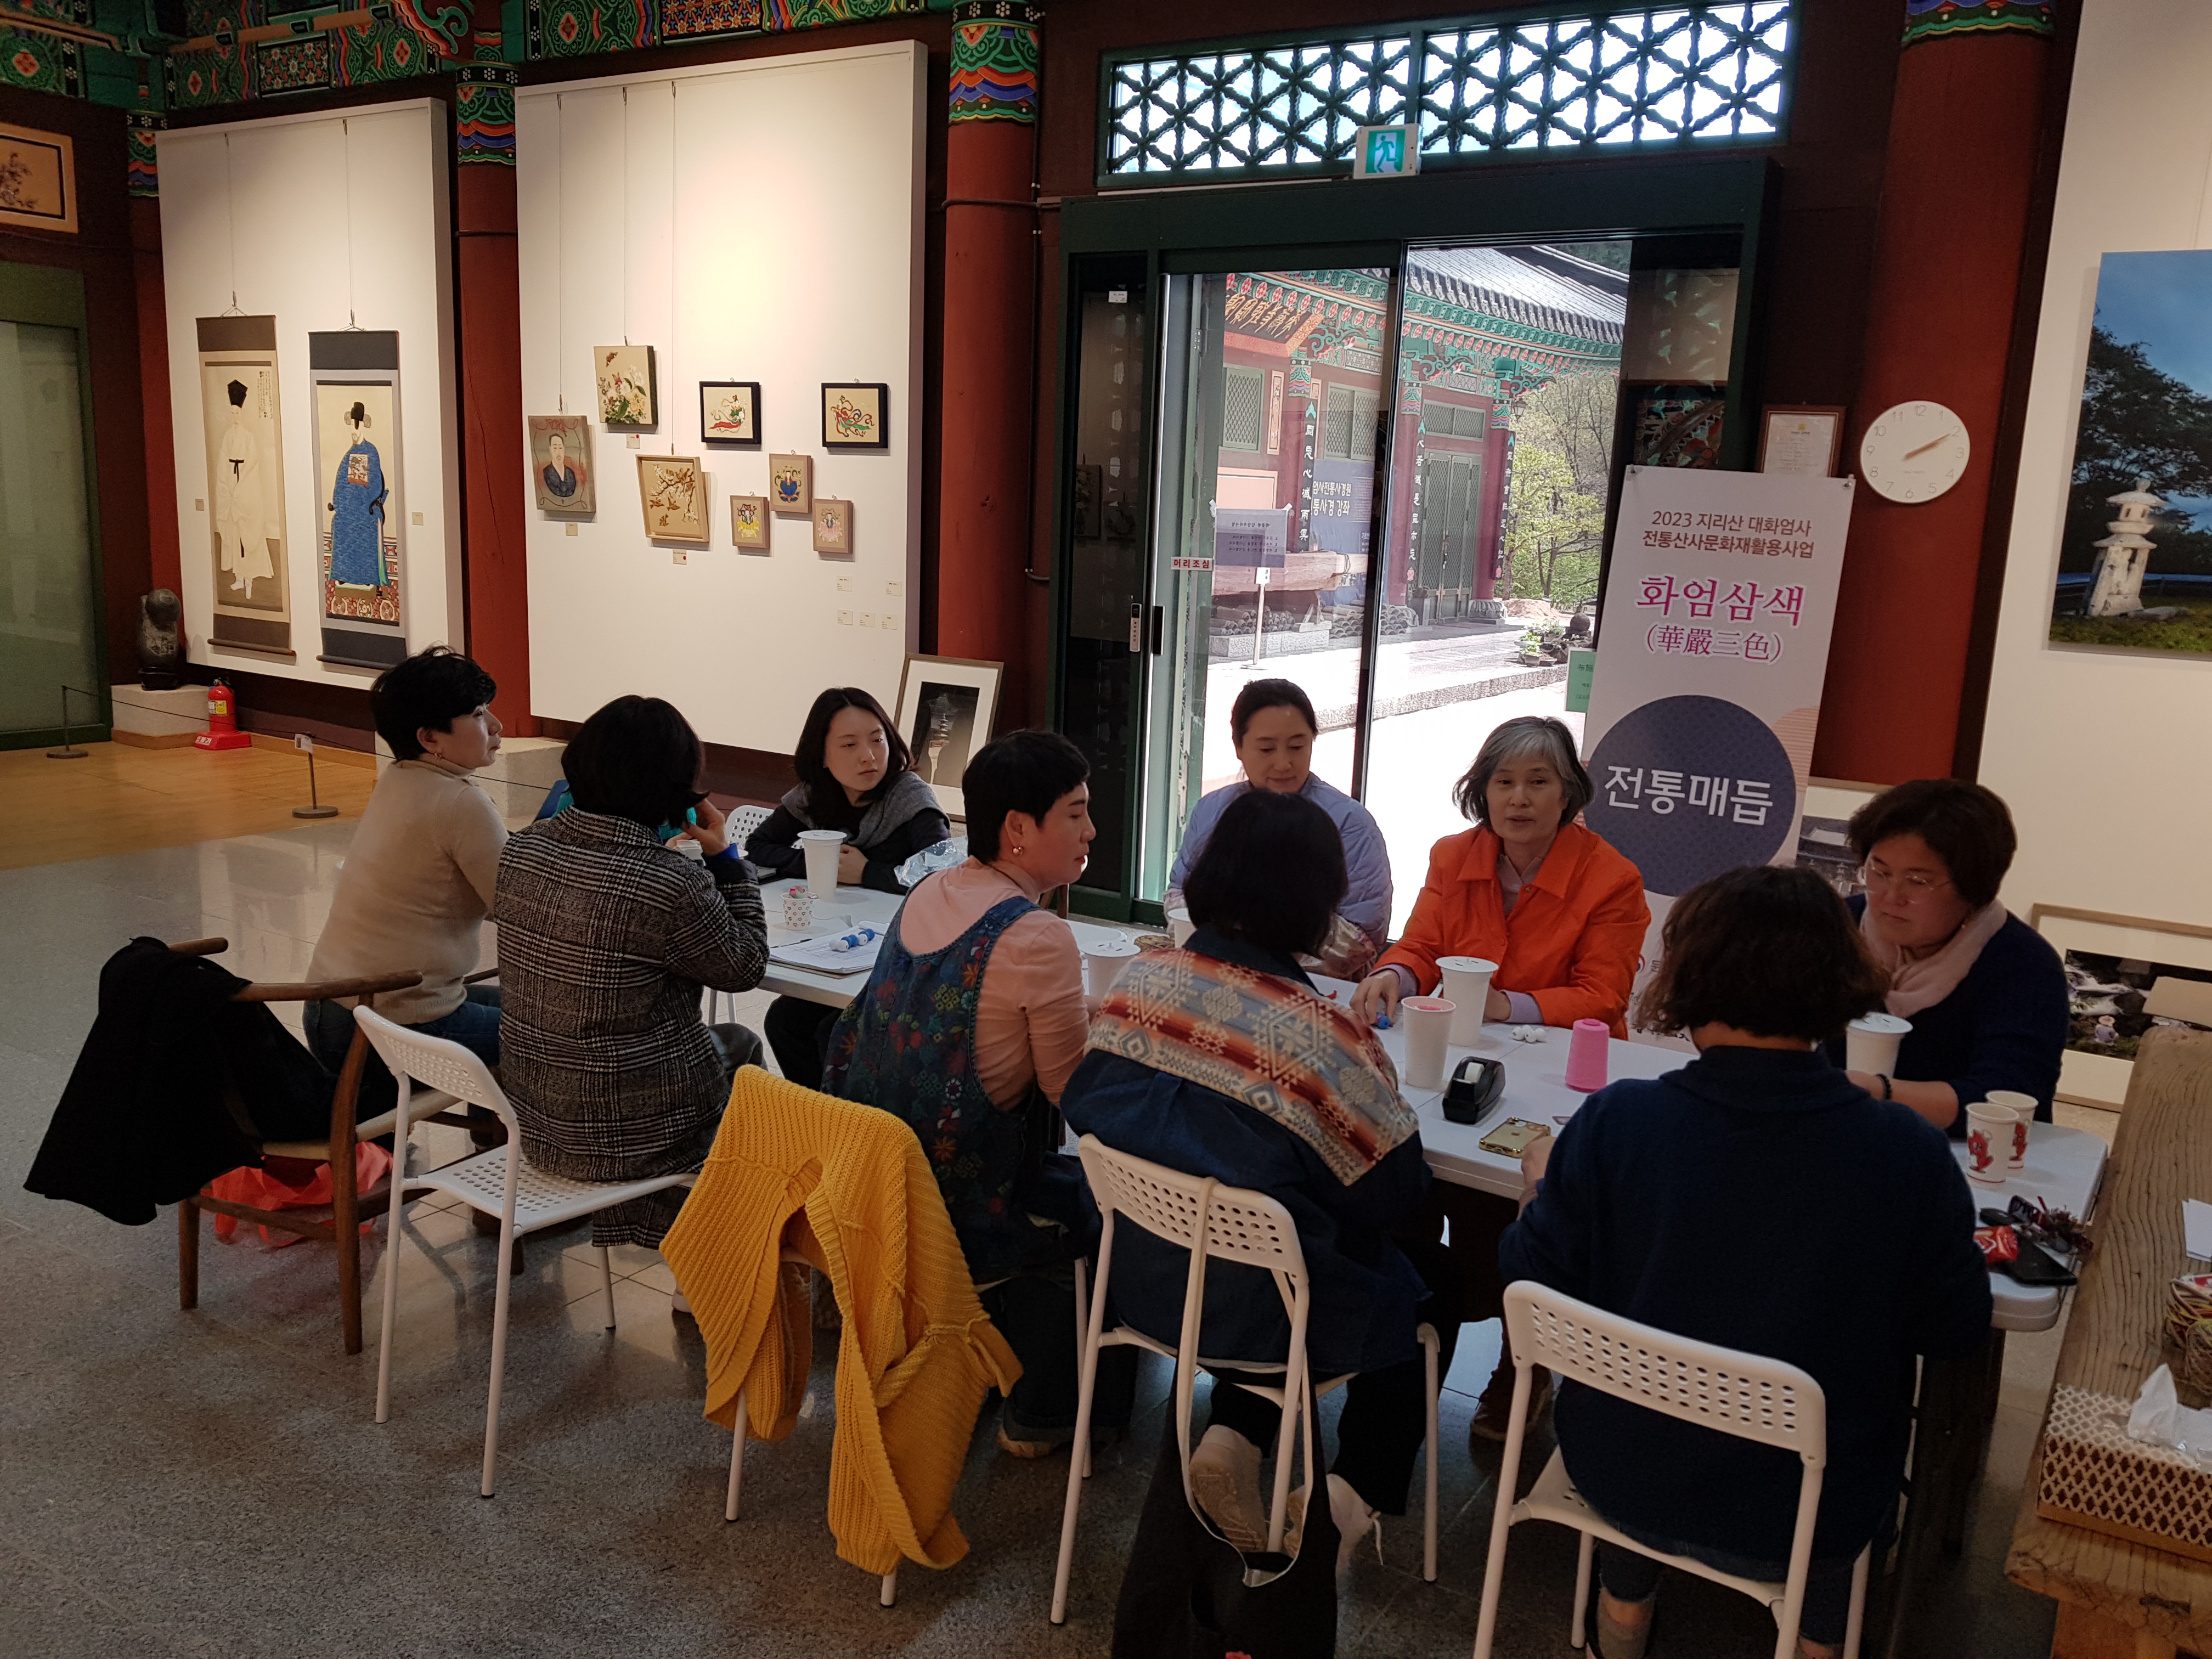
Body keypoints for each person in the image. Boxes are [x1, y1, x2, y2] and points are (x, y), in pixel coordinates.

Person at [1499, 865, 1991, 1659]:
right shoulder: (1905, 1150)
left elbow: (1532, 1274)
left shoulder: (1618, 1121)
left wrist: (1540, 1186)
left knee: (1650, 1378)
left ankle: (1623, 1612)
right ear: (1838, 987)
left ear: (1686, 980)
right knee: (1846, 1435)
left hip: (1619, 1473)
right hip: (1806, 1509)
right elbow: (1957, 1326)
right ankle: (1817, 1640)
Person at [1065, 788, 1455, 1573]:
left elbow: (1086, 1103)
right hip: (1266, 1311)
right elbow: (1393, 1193)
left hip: (1138, 1281)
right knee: (1433, 1281)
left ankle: (1235, 1434)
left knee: (1275, 1224)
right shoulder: (1321, 1037)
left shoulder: (1138, 984)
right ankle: (1345, 1499)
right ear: (1320, 906)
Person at [822, 729, 1135, 1456]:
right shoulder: (1038, 936)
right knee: (1110, 1199)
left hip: (875, 1188)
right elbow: (1070, 1091)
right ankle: (1046, 1409)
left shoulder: (930, 890)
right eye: (1077, 813)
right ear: (1018, 828)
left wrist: (1082, 1012)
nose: (1092, 831)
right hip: (964, 1203)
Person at [1347, 713, 1648, 1437]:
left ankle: (1523, 1370)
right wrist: (1394, 973)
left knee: (1518, 1212)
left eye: (1538, 782)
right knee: (1408, 1181)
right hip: (1455, 1057)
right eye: (1503, 782)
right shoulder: (1454, 855)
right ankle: (1409, 1348)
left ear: (1568, 793)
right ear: (1480, 791)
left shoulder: (1611, 876)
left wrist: (1505, 1004)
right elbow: (1421, 944)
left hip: (1553, 1073)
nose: (1518, 798)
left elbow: (1603, 994)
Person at [494, 695, 768, 1255]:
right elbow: (745, 966)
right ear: (676, 791)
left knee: (720, 1047)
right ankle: (721, 1240)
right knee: (741, 1047)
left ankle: (695, 1231)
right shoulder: (667, 883)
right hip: (630, 1131)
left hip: (539, 1126)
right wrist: (727, 863)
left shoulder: (521, 850)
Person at [304, 647, 506, 1122]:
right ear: (430, 738)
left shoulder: (400, 778)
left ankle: (492, 1137)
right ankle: (526, 1147)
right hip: (389, 1028)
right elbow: (520, 905)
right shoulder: (460, 802)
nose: (496, 726)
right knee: (559, 1034)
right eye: (479, 715)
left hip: (332, 1012)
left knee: (528, 1009)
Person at [1824, 778, 2067, 1135]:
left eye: (1917, 881)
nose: (1891, 897)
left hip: (1962, 1154)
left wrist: (1872, 1092)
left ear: (1973, 889)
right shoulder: (1834, 927)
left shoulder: (2023, 964)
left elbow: (2008, 1098)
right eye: (1880, 873)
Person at [748, 687, 952, 1089]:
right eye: (849, 745)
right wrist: (816, 864)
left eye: (877, 740)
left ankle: (850, 1121)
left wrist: (868, 872)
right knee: (784, 1022)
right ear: (823, 755)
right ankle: (819, 1116)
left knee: (834, 1030)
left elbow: (942, 878)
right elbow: (759, 846)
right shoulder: (813, 797)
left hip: (900, 953)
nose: (869, 756)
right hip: (834, 942)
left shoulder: (910, 797)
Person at [1166, 679, 1391, 980]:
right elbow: (1179, 897)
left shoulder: (1350, 822)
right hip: (1212, 973)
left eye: (1297, 747)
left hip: (1315, 985)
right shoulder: (1211, 810)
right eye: (1267, 749)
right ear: (1239, 747)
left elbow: (1362, 938)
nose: (1284, 763)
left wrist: (1252, 944)